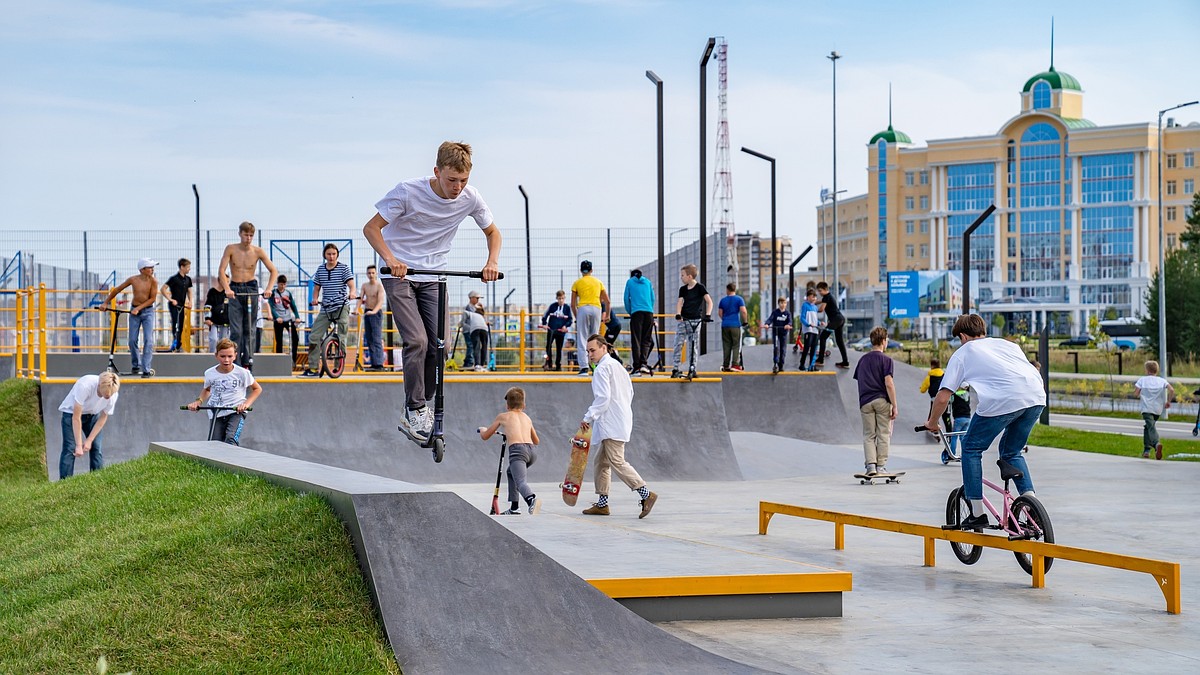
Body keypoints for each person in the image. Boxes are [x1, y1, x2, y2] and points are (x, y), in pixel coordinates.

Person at [362, 141, 501, 445]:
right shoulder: (409, 191)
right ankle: (414, 407)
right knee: (417, 340)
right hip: (400, 274)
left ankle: (420, 404)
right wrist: (390, 259)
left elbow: (493, 232)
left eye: (463, 181)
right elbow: (371, 228)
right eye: (451, 180)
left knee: (440, 346)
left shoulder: (470, 197)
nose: (457, 188)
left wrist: (491, 262)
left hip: (434, 276)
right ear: (437, 172)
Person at [925, 314, 1044, 529]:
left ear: (963, 336)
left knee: (971, 448)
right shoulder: (1008, 345)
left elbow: (943, 397)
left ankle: (977, 513)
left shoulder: (963, 352)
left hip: (1002, 401)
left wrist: (933, 423)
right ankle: (1031, 504)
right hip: (1036, 397)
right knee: (1011, 452)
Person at [580, 334, 657, 518]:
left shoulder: (601, 369)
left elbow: (603, 398)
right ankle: (602, 504)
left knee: (617, 461)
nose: (590, 354)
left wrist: (588, 417)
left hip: (611, 423)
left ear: (603, 348)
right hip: (620, 419)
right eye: (588, 351)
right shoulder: (617, 366)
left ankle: (646, 494)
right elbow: (630, 392)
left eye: (593, 350)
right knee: (601, 462)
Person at [217, 221, 278, 368]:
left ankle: (248, 361)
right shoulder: (231, 249)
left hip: (251, 289)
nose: (248, 238)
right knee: (236, 330)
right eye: (246, 235)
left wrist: (268, 288)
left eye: (251, 235)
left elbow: (273, 271)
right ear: (240, 234)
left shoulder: (258, 251)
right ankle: (234, 362)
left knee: (250, 329)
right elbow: (221, 270)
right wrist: (227, 288)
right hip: (235, 290)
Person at [187, 338, 262, 445]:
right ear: (216, 355)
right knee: (214, 443)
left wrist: (245, 404)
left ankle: (233, 460)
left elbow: (257, 389)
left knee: (231, 439)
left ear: (235, 355)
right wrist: (198, 401)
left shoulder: (242, 373)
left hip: (236, 412)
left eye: (230, 356)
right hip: (216, 412)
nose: (226, 360)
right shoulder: (210, 373)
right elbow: (207, 390)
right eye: (223, 356)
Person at [479, 386, 542, 515]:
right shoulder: (527, 418)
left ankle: (531, 499)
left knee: (520, 482)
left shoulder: (503, 417)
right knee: (510, 472)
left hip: (518, 452)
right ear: (524, 405)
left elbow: (485, 436)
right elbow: (536, 441)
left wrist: (482, 430)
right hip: (532, 452)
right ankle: (514, 507)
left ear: (507, 405)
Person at [301, 243, 356, 377]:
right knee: (314, 336)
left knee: (341, 336)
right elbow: (317, 287)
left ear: (337, 254)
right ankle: (313, 368)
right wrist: (314, 298)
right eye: (328, 254)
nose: (331, 257)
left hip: (341, 306)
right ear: (324, 255)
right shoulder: (320, 270)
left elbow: (351, 284)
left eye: (333, 254)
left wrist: (353, 292)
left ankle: (338, 367)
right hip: (326, 308)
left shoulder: (343, 268)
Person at [57, 371, 120, 479]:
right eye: (104, 395)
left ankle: (97, 479)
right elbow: (76, 418)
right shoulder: (85, 386)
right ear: (99, 386)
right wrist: (79, 445)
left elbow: (103, 417)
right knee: (70, 448)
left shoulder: (112, 394)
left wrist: (89, 440)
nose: (107, 398)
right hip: (71, 414)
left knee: (96, 447)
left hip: (93, 415)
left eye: (109, 396)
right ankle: (65, 482)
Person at [853, 326, 898, 476]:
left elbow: (859, 380)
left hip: (865, 401)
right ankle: (881, 466)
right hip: (881, 401)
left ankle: (870, 466)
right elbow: (889, 383)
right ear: (884, 341)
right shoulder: (887, 360)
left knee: (868, 435)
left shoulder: (863, 360)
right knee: (883, 434)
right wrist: (894, 405)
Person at [104, 258, 159, 378]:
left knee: (148, 341)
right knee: (132, 340)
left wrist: (139, 308)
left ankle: (146, 369)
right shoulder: (133, 280)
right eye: (150, 267)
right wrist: (105, 302)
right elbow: (117, 290)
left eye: (153, 267)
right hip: (134, 311)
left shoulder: (153, 281)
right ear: (142, 269)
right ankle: (136, 364)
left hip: (147, 311)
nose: (152, 269)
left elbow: (152, 299)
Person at [671, 264, 712, 379]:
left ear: (689, 276)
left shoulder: (700, 288)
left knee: (693, 346)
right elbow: (680, 302)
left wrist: (707, 315)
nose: (681, 278)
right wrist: (678, 314)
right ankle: (675, 368)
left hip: (695, 321)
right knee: (678, 343)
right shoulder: (683, 289)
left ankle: (692, 368)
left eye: (682, 275)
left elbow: (709, 302)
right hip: (684, 320)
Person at [571, 259, 609, 375]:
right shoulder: (598, 282)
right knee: (595, 337)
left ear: (581, 270)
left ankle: (583, 367)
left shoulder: (577, 283)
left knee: (582, 338)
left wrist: (577, 317)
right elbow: (607, 301)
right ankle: (596, 364)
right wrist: (607, 315)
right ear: (591, 270)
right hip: (596, 308)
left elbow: (572, 304)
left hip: (583, 308)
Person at [1134, 360, 1175, 460]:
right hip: (1158, 409)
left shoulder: (1142, 380)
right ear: (1156, 370)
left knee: (1151, 427)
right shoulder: (1162, 380)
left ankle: (1157, 444)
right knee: (1148, 427)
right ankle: (1146, 451)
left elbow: (1136, 393)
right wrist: (1168, 401)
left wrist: (1140, 393)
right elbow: (1172, 389)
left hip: (1147, 408)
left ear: (1147, 371)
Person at [623, 269, 656, 376]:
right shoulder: (647, 282)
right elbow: (652, 298)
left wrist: (630, 312)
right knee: (646, 340)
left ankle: (637, 367)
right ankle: (644, 364)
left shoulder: (630, 282)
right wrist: (650, 309)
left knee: (636, 340)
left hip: (636, 313)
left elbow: (626, 299)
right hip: (649, 313)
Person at [160, 258, 193, 352]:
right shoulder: (174, 279)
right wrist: (170, 299)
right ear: (182, 267)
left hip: (182, 305)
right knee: (175, 324)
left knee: (181, 324)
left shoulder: (188, 279)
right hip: (174, 305)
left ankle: (178, 344)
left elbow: (189, 291)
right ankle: (176, 343)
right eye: (187, 267)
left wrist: (190, 301)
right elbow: (163, 289)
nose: (189, 269)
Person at [815, 280, 849, 369]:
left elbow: (821, 309)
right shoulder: (828, 296)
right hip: (840, 319)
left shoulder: (826, 297)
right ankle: (845, 362)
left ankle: (820, 360)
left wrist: (812, 310)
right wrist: (813, 303)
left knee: (822, 337)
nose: (819, 293)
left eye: (820, 291)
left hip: (835, 320)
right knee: (839, 341)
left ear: (825, 289)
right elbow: (819, 301)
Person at [360, 264, 387, 371]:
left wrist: (374, 311)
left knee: (376, 338)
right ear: (367, 274)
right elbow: (360, 298)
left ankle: (379, 364)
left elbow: (380, 301)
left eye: (373, 273)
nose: (371, 275)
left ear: (376, 274)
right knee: (369, 338)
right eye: (369, 273)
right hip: (367, 312)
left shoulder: (379, 286)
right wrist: (356, 309)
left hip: (376, 313)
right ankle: (373, 363)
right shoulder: (365, 286)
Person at [268, 275, 300, 366]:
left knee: (295, 339)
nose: (282, 286)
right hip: (278, 321)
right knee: (279, 341)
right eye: (281, 284)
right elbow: (271, 306)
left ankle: (293, 360)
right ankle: (279, 361)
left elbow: (293, 305)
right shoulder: (273, 293)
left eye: (284, 284)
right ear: (277, 284)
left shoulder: (288, 293)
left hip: (288, 319)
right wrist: (276, 317)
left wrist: (297, 316)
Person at [540, 290, 573, 371]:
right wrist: (544, 323)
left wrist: (565, 326)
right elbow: (545, 315)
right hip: (551, 330)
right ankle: (549, 363)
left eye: (562, 298)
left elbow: (570, 319)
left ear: (564, 298)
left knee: (559, 348)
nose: (561, 300)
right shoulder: (552, 306)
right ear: (557, 298)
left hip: (561, 332)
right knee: (548, 346)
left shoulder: (567, 308)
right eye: (559, 298)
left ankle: (558, 365)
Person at [718, 282, 747, 372]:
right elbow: (743, 311)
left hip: (725, 325)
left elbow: (720, 313)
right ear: (734, 289)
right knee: (736, 345)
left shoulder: (723, 300)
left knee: (726, 345)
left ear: (727, 290)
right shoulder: (739, 299)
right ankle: (735, 364)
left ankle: (726, 365)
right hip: (735, 325)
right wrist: (745, 321)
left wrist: (725, 320)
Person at [762, 296, 793, 375]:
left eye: (784, 303)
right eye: (781, 303)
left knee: (783, 349)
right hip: (776, 333)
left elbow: (790, 321)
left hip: (783, 334)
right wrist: (767, 324)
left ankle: (781, 364)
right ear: (778, 304)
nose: (783, 304)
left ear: (786, 304)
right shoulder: (775, 312)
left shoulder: (787, 313)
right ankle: (775, 364)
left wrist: (788, 325)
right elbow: (770, 319)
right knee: (776, 348)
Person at [920, 357, 952, 431]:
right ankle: (949, 434)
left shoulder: (929, 377)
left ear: (932, 366)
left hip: (934, 399)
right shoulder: (944, 375)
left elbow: (922, 390)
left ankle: (933, 429)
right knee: (946, 417)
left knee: (933, 415)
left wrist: (921, 388)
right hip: (946, 399)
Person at [461, 291, 490, 372]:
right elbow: (465, 320)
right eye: (477, 298)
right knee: (471, 346)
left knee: (474, 346)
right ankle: (469, 363)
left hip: (474, 329)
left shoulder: (476, 308)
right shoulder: (468, 308)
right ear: (471, 298)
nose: (478, 300)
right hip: (469, 330)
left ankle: (473, 363)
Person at [203, 285, 231, 354]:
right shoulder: (212, 292)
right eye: (225, 281)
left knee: (224, 341)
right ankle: (212, 355)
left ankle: (223, 355)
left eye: (227, 282)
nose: (226, 283)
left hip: (225, 322)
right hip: (213, 321)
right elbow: (207, 306)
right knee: (213, 339)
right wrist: (207, 318)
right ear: (220, 281)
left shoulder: (229, 293)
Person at [798, 288, 820, 371]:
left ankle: (812, 366)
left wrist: (819, 323)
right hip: (808, 330)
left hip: (815, 330)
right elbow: (802, 318)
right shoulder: (805, 305)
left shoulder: (815, 307)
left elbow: (815, 319)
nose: (813, 298)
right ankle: (802, 364)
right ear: (807, 297)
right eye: (812, 297)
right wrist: (808, 324)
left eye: (815, 297)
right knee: (806, 348)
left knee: (814, 348)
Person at [949, 382, 973, 458]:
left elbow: (949, 402)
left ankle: (951, 454)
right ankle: (965, 454)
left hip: (959, 418)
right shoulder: (967, 394)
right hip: (967, 418)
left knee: (954, 436)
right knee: (963, 437)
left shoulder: (955, 394)